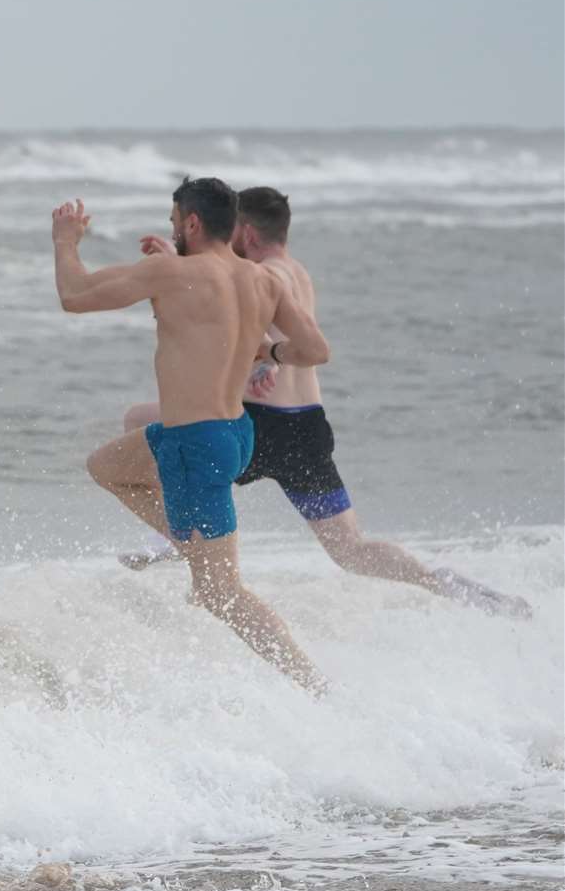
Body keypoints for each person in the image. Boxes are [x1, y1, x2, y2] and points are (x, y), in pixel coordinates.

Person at [115, 187, 532, 618]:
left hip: (260, 424)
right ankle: (445, 583)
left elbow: (247, 307)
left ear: (246, 232)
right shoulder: (295, 272)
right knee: (350, 549)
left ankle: (177, 535)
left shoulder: (265, 277)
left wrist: (269, 362)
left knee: (139, 420)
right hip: (306, 429)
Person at [56, 178, 332, 695]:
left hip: (195, 447)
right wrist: (269, 354)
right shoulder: (261, 281)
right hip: (235, 432)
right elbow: (315, 349)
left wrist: (65, 241)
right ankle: (193, 545)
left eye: (173, 221)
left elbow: (75, 295)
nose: (171, 230)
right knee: (106, 467)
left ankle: (313, 685)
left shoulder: (170, 273)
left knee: (219, 593)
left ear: (192, 223)